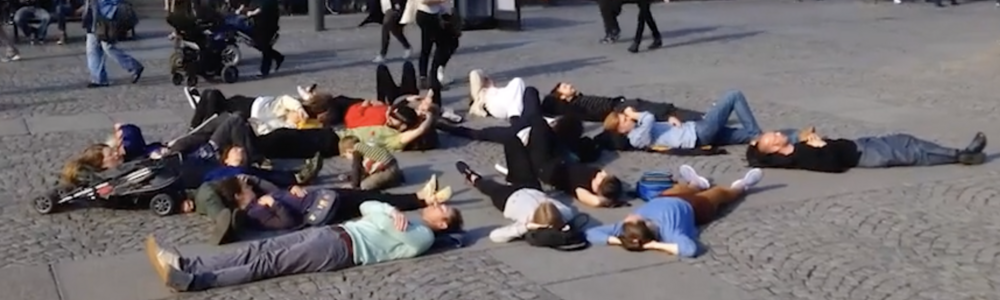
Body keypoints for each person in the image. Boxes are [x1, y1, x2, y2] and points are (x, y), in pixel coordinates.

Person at [144, 197, 463, 291]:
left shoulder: (424, 236)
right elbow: (367, 206)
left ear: (443, 223)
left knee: (267, 265)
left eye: (442, 208)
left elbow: (376, 220)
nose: (436, 204)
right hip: (332, 232)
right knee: (259, 249)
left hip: (342, 249)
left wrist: (386, 215)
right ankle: (187, 264)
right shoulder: (404, 219)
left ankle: (194, 280)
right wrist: (391, 209)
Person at [586, 165, 763, 257]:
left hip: (664, 198)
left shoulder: (625, 229)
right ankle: (741, 187)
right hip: (695, 207)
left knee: (679, 187)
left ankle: (696, 184)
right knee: (719, 194)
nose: (629, 215)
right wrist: (654, 245)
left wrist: (621, 241)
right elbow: (689, 249)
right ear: (644, 224)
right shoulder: (670, 233)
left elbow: (591, 233)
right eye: (633, 218)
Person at [491, 109, 623, 207]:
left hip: (545, 167)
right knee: (562, 125)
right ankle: (524, 124)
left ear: (596, 188)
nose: (602, 173)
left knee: (539, 125)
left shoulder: (580, 187)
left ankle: (522, 119)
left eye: (601, 178)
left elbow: (594, 201)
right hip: (558, 158)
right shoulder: (595, 178)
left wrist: (607, 200)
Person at [746, 128, 987, 173]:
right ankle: (960, 154)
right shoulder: (799, 155)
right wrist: (821, 145)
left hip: (861, 144)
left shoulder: (795, 148)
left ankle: (960, 154)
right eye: (774, 136)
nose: (778, 132)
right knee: (914, 152)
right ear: (776, 148)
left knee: (907, 140)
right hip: (865, 155)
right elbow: (832, 165)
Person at [454, 161, 575, 243]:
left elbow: (495, 236)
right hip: (531, 188)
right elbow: (566, 216)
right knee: (521, 158)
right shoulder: (565, 213)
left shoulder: (526, 221)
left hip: (508, 198)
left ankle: (471, 176)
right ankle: (510, 173)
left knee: (487, 185)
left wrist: (526, 227)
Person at [604, 90, 762, 151]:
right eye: (624, 119)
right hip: (700, 133)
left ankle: (763, 140)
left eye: (626, 116)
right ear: (621, 130)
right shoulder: (636, 139)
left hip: (696, 131)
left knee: (747, 137)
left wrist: (669, 118)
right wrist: (633, 113)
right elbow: (649, 118)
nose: (629, 117)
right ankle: (757, 133)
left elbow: (653, 122)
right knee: (734, 96)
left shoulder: (638, 129)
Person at [183, 87, 332, 130]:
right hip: (247, 102)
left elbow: (283, 125)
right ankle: (201, 112)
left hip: (249, 111)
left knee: (212, 97)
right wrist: (300, 106)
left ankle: (196, 125)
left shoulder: (295, 119)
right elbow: (288, 99)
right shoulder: (296, 105)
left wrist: (297, 115)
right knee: (212, 94)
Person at [544, 81, 681, 122]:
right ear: (561, 96)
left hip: (619, 104)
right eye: (564, 87)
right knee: (657, 110)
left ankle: (673, 113)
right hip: (618, 108)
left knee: (654, 107)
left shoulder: (578, 99)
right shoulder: (574, 107)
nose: (569, 85)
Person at [83, 0, 144, 88]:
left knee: (107, 47)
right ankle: (98, 79)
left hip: (105, 17)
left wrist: (110, 12)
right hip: (93, 16)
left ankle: (134, 66)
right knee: (92, 48)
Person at [401, 0, 459, 89]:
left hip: (430, 14)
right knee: (443, 45)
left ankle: (424, 78)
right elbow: (425, 1)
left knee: (427, 46)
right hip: (427, 16)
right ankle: (433, 78)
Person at [237, 0, 284, 78]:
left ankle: (264, 71)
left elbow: (263, 8)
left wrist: (252, 13)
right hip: (258, 24)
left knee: (265, 47)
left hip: (268, 25)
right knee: (259, 44)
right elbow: (247, 3)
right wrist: (241, 9)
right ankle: (278, 57)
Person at [339, 135, 404, 191]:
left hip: (388, 168)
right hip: (392, 165)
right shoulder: (366, 149)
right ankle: (395, 177)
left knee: (365, 186)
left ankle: (394, 180)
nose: (347, 158)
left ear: (349, 151)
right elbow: (364, 170)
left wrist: (354, 186)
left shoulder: (356, 152)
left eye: (345, 155)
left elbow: (356, 169)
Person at [467, 69, 533, 120]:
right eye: (486, 79)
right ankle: (515, 112)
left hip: (503, 103)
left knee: (522, 89)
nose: (490, 80)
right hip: (500, 104)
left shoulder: (492, 92)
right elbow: (474, 74)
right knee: (517, 81)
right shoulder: (483, 94)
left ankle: (517, 111)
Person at [59, 143, 124, 187]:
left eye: (113, 150)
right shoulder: (95, 177)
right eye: (110, 154)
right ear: (101, 163)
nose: (116, 153)